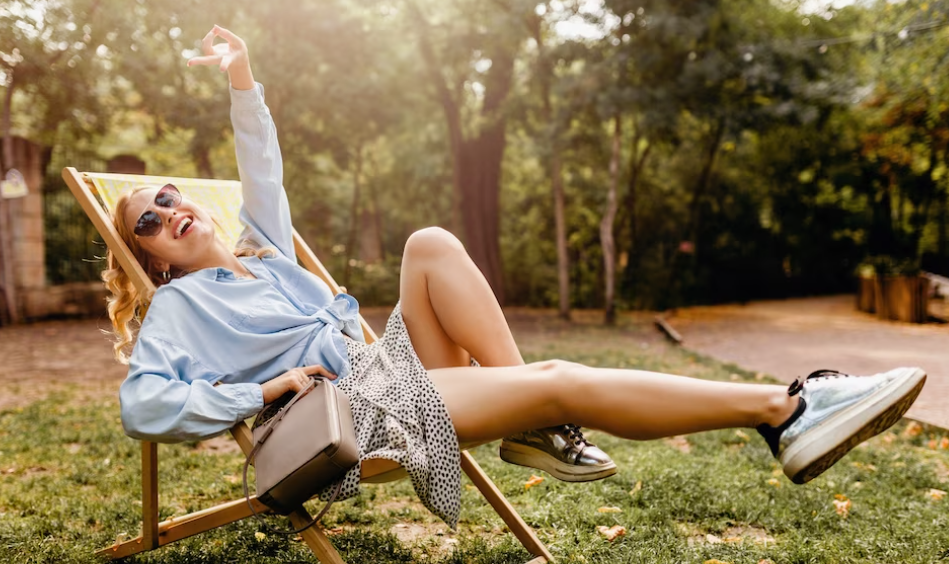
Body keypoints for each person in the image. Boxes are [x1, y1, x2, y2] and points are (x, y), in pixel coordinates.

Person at [105, 26, 927, 529]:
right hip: (358, 416)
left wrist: (241, 78)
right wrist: (266, 388)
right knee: (559, 378)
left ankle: (528, 417)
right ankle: (785, 413)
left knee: (429, 241)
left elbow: (263, 164)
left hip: (388, 372)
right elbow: (144, 405)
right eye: (148, 219)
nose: (170, 210)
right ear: (152, 259)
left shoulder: (264, 252)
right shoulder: (178, 311)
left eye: (170, 194)